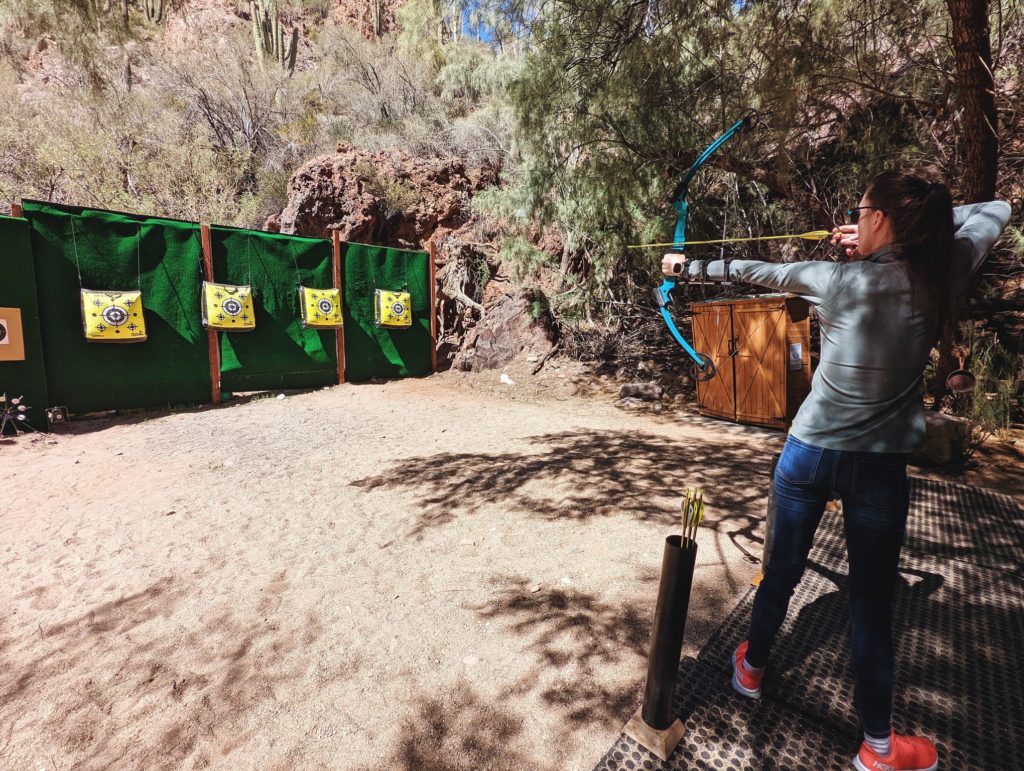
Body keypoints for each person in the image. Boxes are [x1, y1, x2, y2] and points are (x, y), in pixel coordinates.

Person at [661, 170, 1011, 771]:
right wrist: (904, 232)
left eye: (863, 210)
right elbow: (995, 207)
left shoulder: (837, 279)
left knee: (782, 574)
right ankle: (877, 747)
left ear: (881, 219)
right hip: (879, 466)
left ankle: (751, 668)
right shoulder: (944, 271)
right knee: (872, 602)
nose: (854, 218)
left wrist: (683, 269)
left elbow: (755, 271)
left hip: (808, 454)